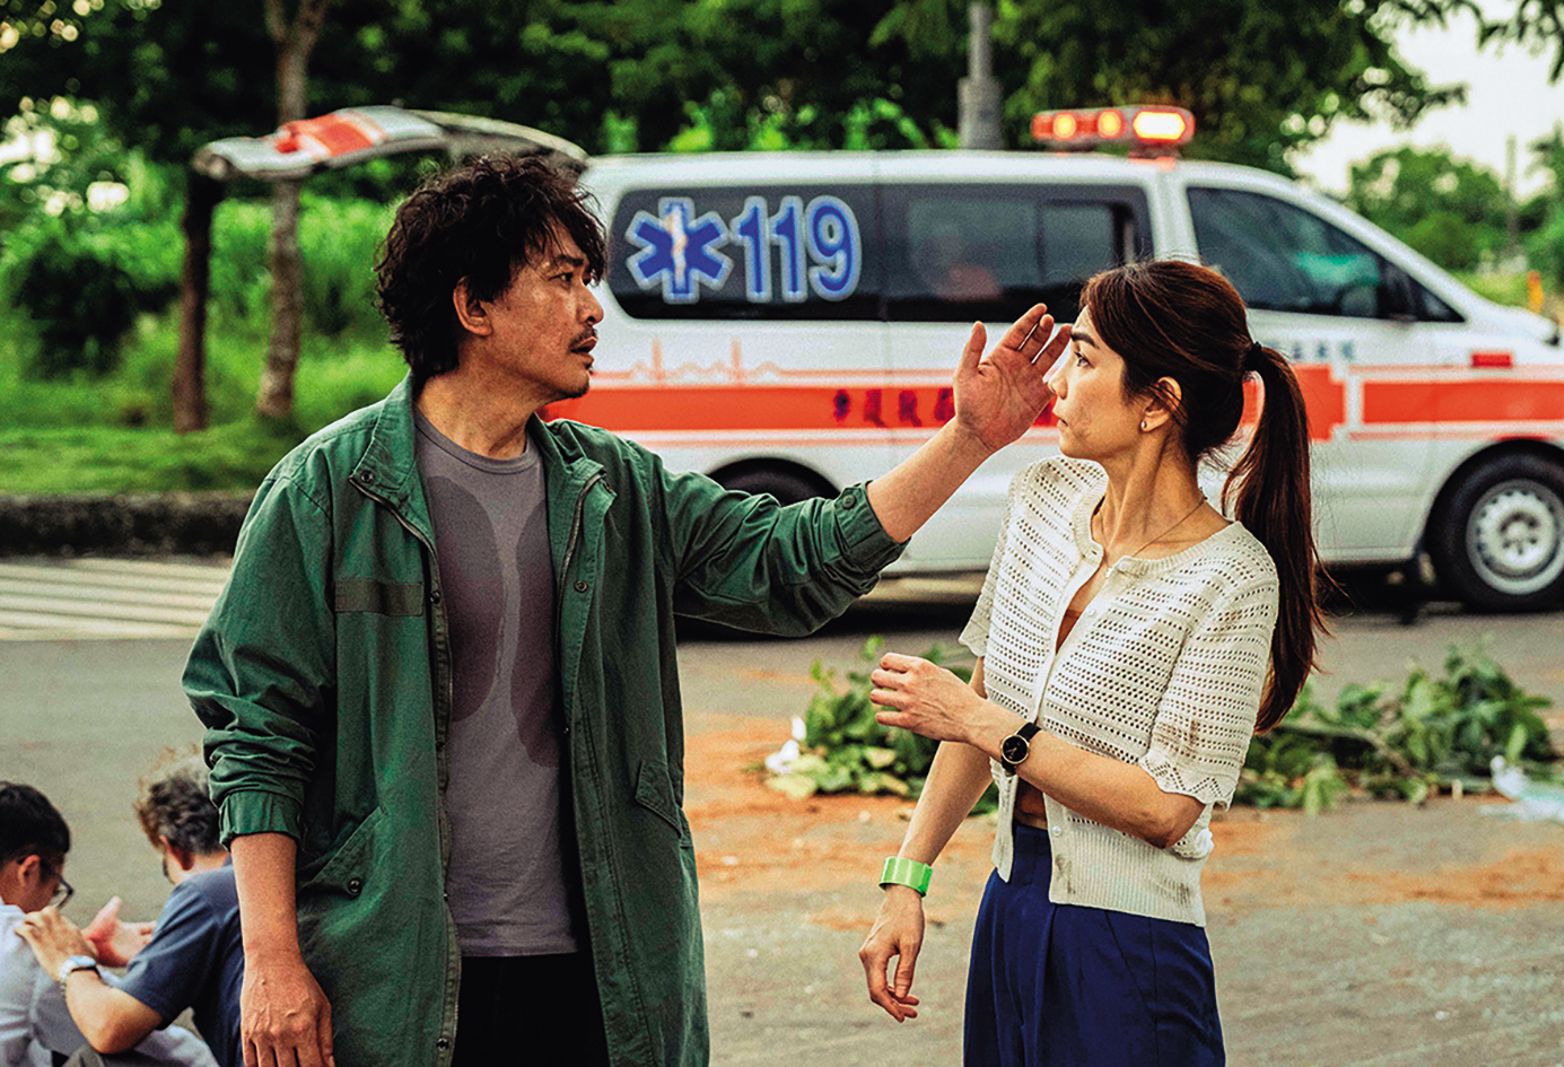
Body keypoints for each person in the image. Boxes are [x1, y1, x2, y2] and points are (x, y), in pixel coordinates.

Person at [181, 153, 1069, 1067]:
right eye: (563, 280)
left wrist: (968, 440)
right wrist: (273, 960)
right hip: (393, 976)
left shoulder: (613, 488)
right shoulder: (330, 491)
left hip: (601, 974)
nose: (592, 308)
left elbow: (792, 563)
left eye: (587, 280)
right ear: (473, 306)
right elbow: (258, 736)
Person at [859, 258, 1327, 1065]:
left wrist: (981, 721)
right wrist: (908, 877)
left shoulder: (1234, 578)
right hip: (1011, 907)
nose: (1057, 384)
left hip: (1131, 946)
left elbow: (1165, 808)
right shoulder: (1043, 500)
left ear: (1158, 402)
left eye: (1083, 359)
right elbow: (987, 692)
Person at [14, 753, 242, 1067]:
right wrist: (164, 956)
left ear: (175, 850)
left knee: (93, 1061)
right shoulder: (271, 881)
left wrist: (71, 961)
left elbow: (107, 1027)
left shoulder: (208, 891)